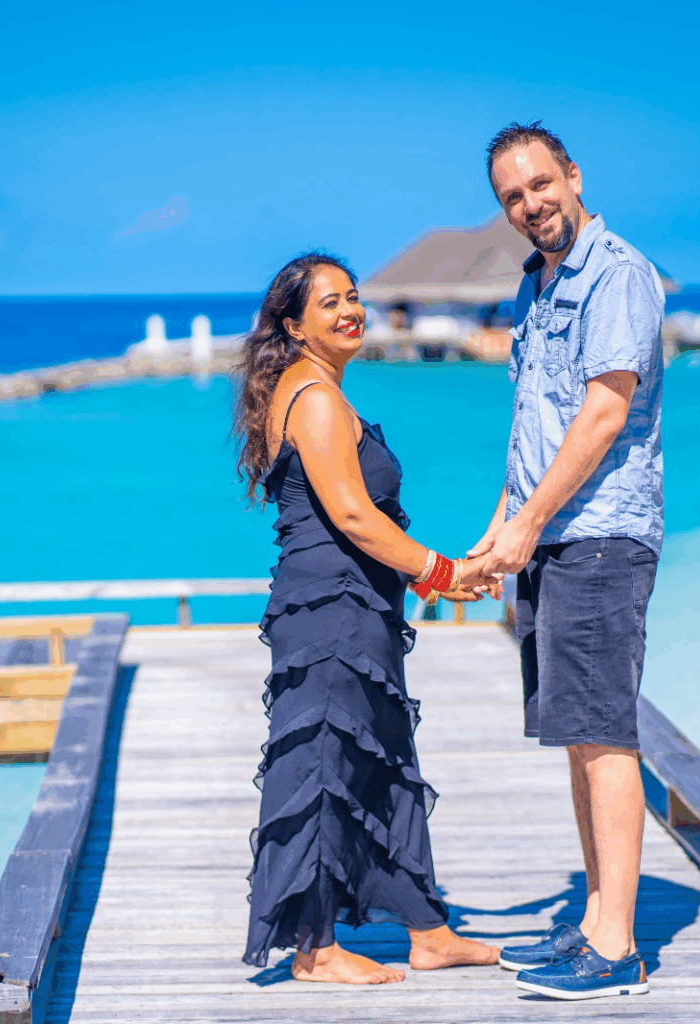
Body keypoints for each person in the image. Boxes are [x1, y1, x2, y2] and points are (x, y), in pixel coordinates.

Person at [235, 252, 501, 984]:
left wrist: (419, 575)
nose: (351, 311)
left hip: (354, 606)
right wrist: (441, 573)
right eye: (329, 303)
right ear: (294, 326)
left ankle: (427, 930)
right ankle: (315, 949)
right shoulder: (315, 399)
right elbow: (352, 515)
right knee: (323, 765)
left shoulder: (317, 390)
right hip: (331, 612)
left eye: (353, 297)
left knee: (382, 761)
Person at [468, 122, 664, 1001]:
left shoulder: (615, 273)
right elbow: (535, 427)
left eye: (540, 185)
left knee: (604, 734)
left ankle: (616, 950)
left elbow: (602, 413)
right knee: (578, 734)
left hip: (601, 534)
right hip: (551, 536)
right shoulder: (537, 284)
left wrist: (530, 522)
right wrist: (498, 533)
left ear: (573, 176)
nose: (530, 205)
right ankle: (591, 922)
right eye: (512, 196)